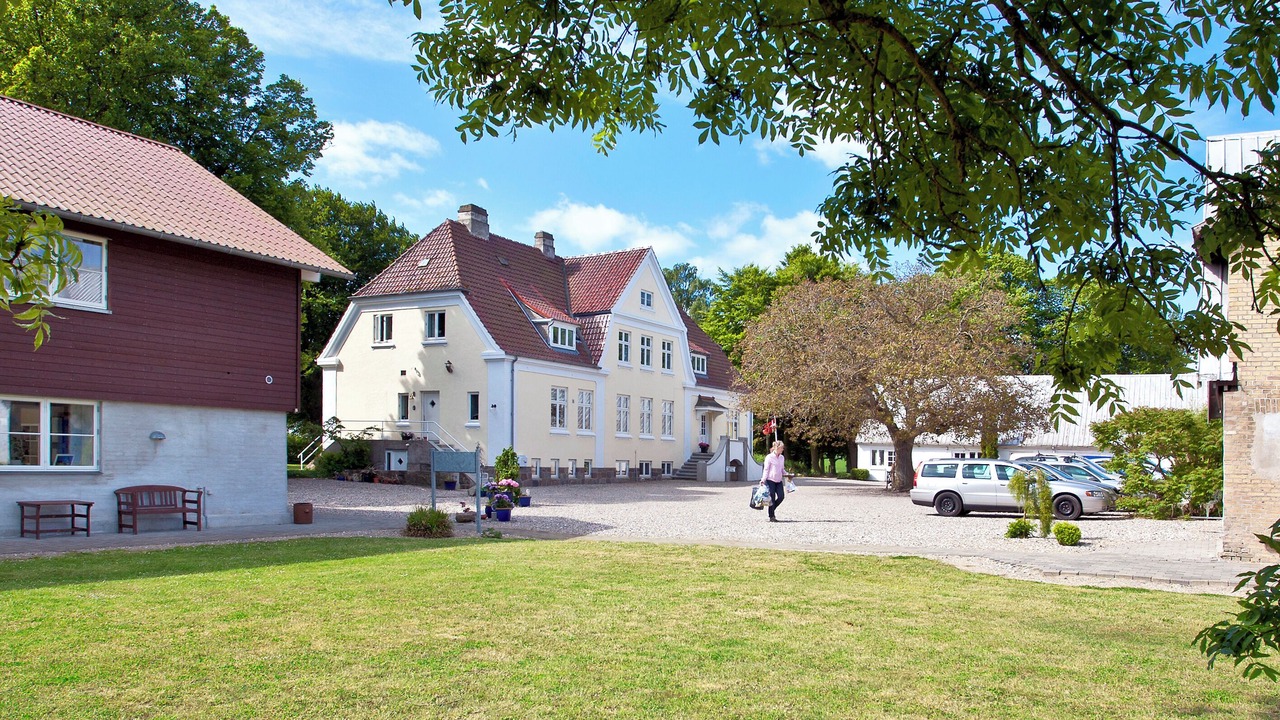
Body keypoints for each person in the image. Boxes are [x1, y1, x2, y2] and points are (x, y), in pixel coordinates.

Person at [761, 440, 792, 522]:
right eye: (781, 448)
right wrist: (763, 479)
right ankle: (772, 516)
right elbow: (766, 469)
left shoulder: (782, 458)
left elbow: (782, 469)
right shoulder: (769, 457)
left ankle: (771, 509)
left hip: (778, 480)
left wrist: (788, 474)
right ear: (777, 448)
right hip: (770, 480)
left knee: (781, 496)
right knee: (772, 497)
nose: (782, 449)